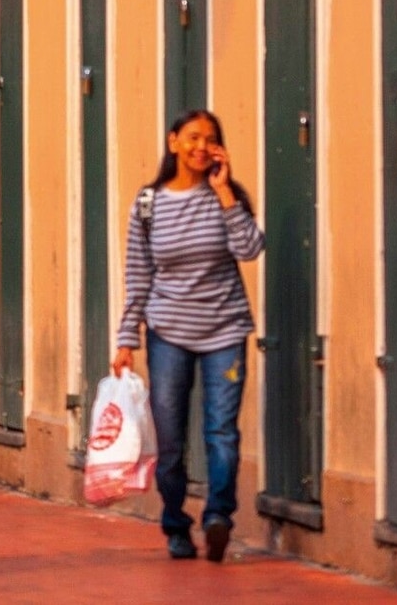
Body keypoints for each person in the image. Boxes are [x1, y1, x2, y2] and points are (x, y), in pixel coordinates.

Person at [113, 109, 265, 562]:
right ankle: (176, 523)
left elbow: (250, 249)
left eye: (210, 139)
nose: (201, 146)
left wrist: (225, 192)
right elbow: (138, 274)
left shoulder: (226, 197)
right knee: (171, 437)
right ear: (173, 141)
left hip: (225, 331)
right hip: (168, 334)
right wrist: (127, 338)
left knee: (222, 432)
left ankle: (218, 517)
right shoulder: (148, 204)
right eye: (193, 137)